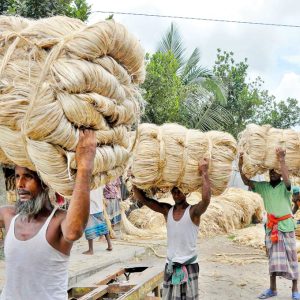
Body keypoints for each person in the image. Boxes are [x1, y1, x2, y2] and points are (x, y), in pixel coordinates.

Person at [0, 129, 97, 300]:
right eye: (17, 176)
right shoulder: (8, 215)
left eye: (28, 177)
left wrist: (84, 167)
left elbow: (74, 231)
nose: (20, 184)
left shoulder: (58, 221)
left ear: (45, 182)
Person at [133, 158, 211, 300]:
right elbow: (145, 200)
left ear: (186, 192)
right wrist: (134, 179)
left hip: (189, 265)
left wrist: (204, 172)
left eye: (179, 191)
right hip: (170, 266)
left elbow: (206, 200)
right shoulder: (166, 210)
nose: (176, 194)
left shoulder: (193, 212)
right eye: (174, 191)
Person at [239, 148, 299, 300]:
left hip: (286, 226)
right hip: (271, 227)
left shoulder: (286, 187)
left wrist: (282, 160)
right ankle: (273, 289)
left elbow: (286, 180)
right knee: (272, 259)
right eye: (271, 171)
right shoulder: (263, 186)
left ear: (280, 173)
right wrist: (241, 165)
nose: (273, 173)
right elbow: (246, 181)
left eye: (276, 171)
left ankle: (295, 290)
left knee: (292, 258)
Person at [83, 186, 112, 255]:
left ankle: (91, 250)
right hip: (99, 208)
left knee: (89, 229)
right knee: (103, 226)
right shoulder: (99, 182)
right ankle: (110, 245)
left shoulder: (89, 184)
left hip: (91, 208)